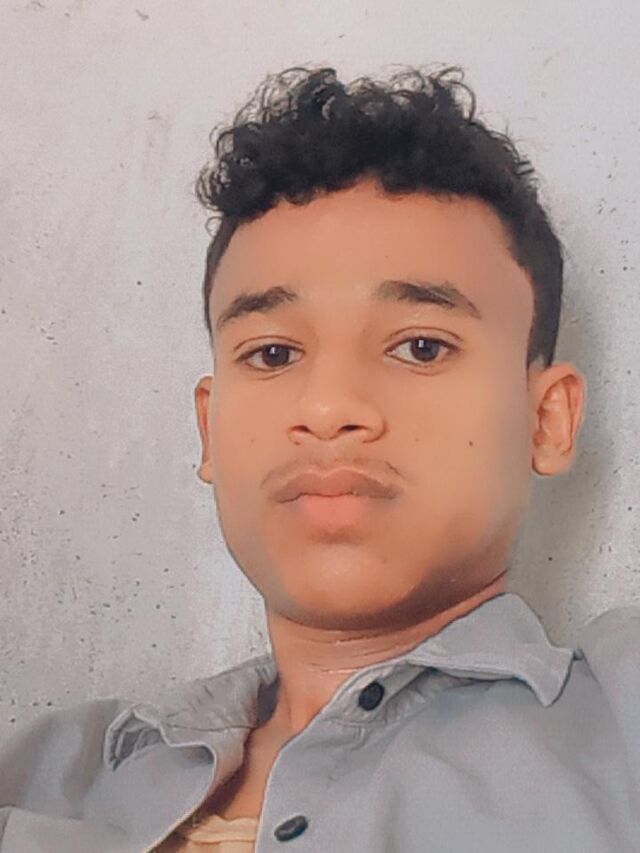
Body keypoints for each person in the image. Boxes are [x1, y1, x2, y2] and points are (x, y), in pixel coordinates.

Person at [1, 63, 638, 853]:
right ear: (210, 429)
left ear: (548, 419)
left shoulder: (621, 720)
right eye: (272, 353)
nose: (328, 407)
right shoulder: (52, 775)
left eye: (421, 345)